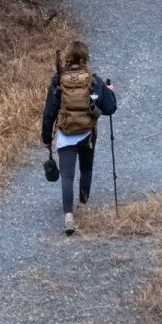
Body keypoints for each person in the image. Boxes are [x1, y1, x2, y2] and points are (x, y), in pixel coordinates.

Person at [41, 39, 117, 235]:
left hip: (66, 134)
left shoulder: (58, 80)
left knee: (67, 177)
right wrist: (108, 93)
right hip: (87, 134)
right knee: (86, 169)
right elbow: (110, 108)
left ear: (67, 57)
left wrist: (46, 137)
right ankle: (83, 205)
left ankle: (68, 216)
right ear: (85, 57)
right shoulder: (93, 80)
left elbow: (50, 111)